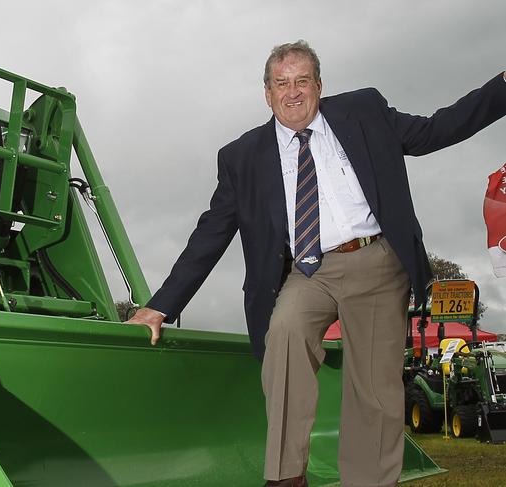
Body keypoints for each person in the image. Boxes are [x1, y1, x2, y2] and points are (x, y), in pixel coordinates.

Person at [128, 41, 506, 487]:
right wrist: (160, 305)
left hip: (375, 261)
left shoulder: (364, 111)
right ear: (266, 92)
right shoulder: (241, 156)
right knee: (284, 333)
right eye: (281, 83)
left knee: (373, 387)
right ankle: (287, 476)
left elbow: (434, 131)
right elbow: (211, 232)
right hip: (307, 271)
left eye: (302, 81)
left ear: (319, 86)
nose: (293, 92)